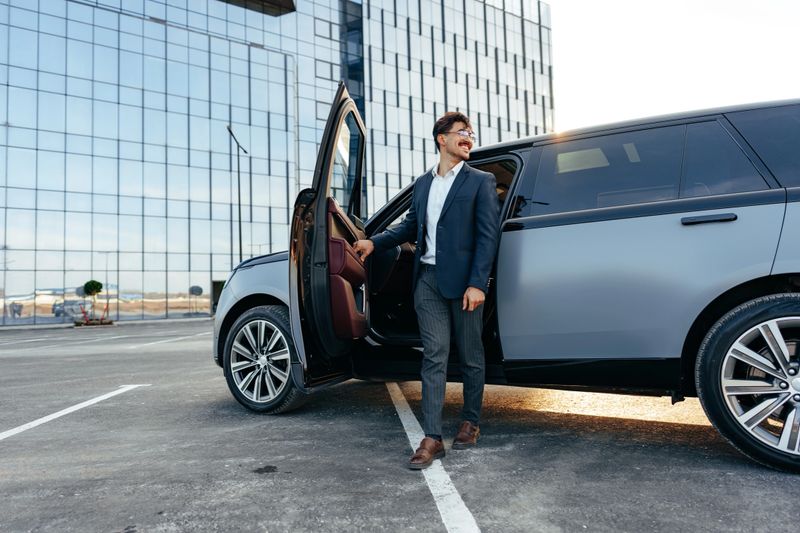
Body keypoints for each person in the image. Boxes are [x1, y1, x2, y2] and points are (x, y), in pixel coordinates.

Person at [353, 112, 500, 469]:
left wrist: (477, 284)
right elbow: (409, 227)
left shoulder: (481, 181)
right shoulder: (422, 184)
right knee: (434, 355)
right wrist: (374, 241)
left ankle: (471, 421)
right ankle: (432, 438)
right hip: (428, 282)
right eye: (461, 132)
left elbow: (487, 237)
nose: (468, 137)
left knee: (469, 355)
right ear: (441, 139)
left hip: (465, 284)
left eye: (471, 133)